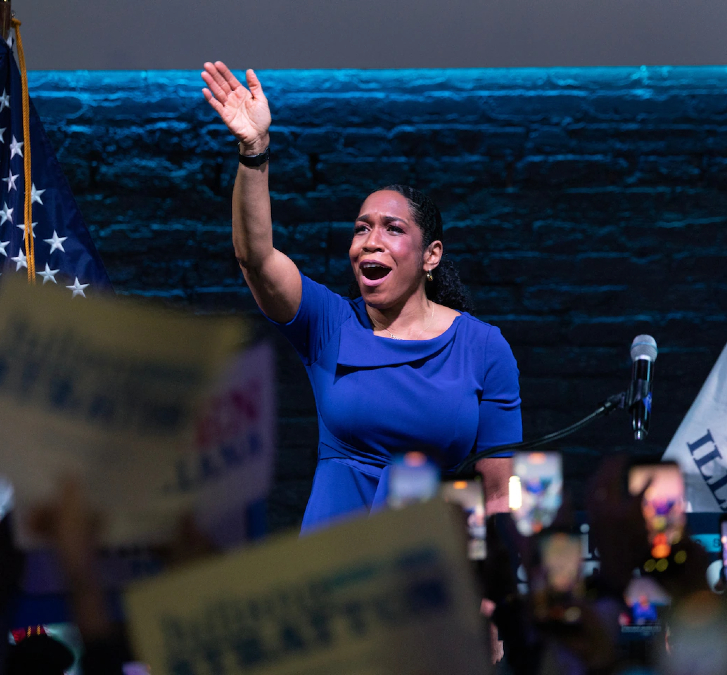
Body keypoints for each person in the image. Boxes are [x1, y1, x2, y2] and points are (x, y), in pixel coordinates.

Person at [200, 62, 521, 532]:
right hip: (334, 562)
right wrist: (254, 151)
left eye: (393, 229)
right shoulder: (329, 324)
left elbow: (499, 495)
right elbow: (257, 259)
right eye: (361, 229)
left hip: (428, 560)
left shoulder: (484, 347)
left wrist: (506, 571)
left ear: (431, 255)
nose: (371, 241)